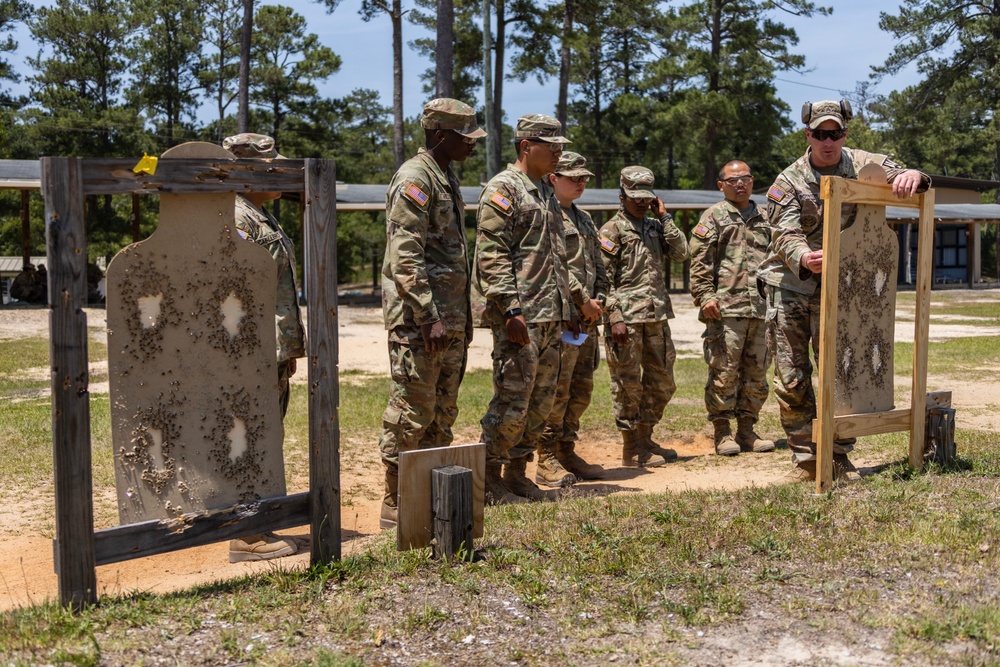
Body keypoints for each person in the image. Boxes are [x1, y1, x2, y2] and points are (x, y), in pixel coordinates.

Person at [759, 99, 929, 482]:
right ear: (808, 135)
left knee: (844, 372)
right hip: (792, 286)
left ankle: (837, 455)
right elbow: (784, 233)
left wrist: (914, 174)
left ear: (844, 135)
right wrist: (804, 257)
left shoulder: (861, 162)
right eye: (820, 134)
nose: (828, 141)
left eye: (834, 133)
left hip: (842, 286)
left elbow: (902, 172)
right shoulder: (788, 181)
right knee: (793, 377)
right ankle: (805, 459)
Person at [377, 98, 484, 529]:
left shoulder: (445, 176)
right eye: (465, 137)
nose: (472, 145)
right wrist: (427, 315)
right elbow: (405, 255)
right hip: (421, 324)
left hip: (449, 320)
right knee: (411, 412)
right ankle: (395, 498)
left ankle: (431, 496)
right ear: (441, 135)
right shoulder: (415, 179)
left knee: (442, 413)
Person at [473, 113, 583, 504]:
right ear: (526, 147)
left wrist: (568, 304)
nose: (557, 154)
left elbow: (556, 256)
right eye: (551, 147)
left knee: (542, 401)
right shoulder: (505, 189)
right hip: (523, 317)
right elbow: (492, 253)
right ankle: (487, 478)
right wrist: (508, 310)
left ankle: (517, 473)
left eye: (560, 148)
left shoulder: (545, 192)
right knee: (513, 400)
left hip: (551, 314)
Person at [223, 132, 307, 561]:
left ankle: (257, 521)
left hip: (268, 352)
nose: (278, 171)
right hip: (248, 354)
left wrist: (285, 348)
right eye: (270, 164)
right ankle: (247, 534)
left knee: (265, 434)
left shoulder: (259, 215)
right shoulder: (236, 217)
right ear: (243, 170)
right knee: (249, 436)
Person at [600, 166, 688, 467]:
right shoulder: (611, 230)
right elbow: (602, 278)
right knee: (627, 384)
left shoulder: (654, 226)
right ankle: (631, 447)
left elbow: (680, 253)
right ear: (622, 195)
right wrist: (614, 316)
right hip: (626, 320)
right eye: (634, 197)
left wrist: (665, 218)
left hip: (656, 316)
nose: (639, 202)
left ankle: (645, 436)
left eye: (645, 198)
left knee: (663, 381)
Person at [689, 160, 775, 456]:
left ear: (752, 181)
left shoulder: (766, 216)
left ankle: (748, 431)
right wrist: (705, 295)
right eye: (733, 180)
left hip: (762, 309)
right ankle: (723, 432)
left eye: (746, 179)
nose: (740, 184)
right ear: (721, 185)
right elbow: (700, 260)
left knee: (757, 374)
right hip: (726, 310)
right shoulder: (713, 216)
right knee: (724, 372)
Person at [540, 152, 608, 482]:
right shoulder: (547, 214)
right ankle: (546, 455)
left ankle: (566, 450)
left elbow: (599, 266)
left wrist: (600, 301)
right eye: (574, 177)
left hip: (587, 319)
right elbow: (557, 267)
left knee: (581, 389)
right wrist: (581, 302)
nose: (581, 183)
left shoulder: (584, 218)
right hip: (563, 317)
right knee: (557, 389)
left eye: (585, 178)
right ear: (554, 178)